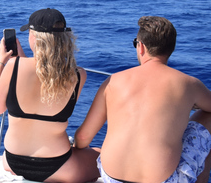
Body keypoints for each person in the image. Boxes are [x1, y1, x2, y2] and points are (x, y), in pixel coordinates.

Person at [75, 16, 211, 183]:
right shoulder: (189, 84)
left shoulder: (112, 82)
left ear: (140, 47)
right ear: (171, 48)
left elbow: (82, 138)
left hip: (111, 178)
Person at [0, 8, 100, 182]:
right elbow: (45, 83)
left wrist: (1, 63)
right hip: (58, 166)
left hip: (12, 162)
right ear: (63, 39)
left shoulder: (13, 66)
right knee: (102, 155)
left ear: (33, 36)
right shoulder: (78, 75)